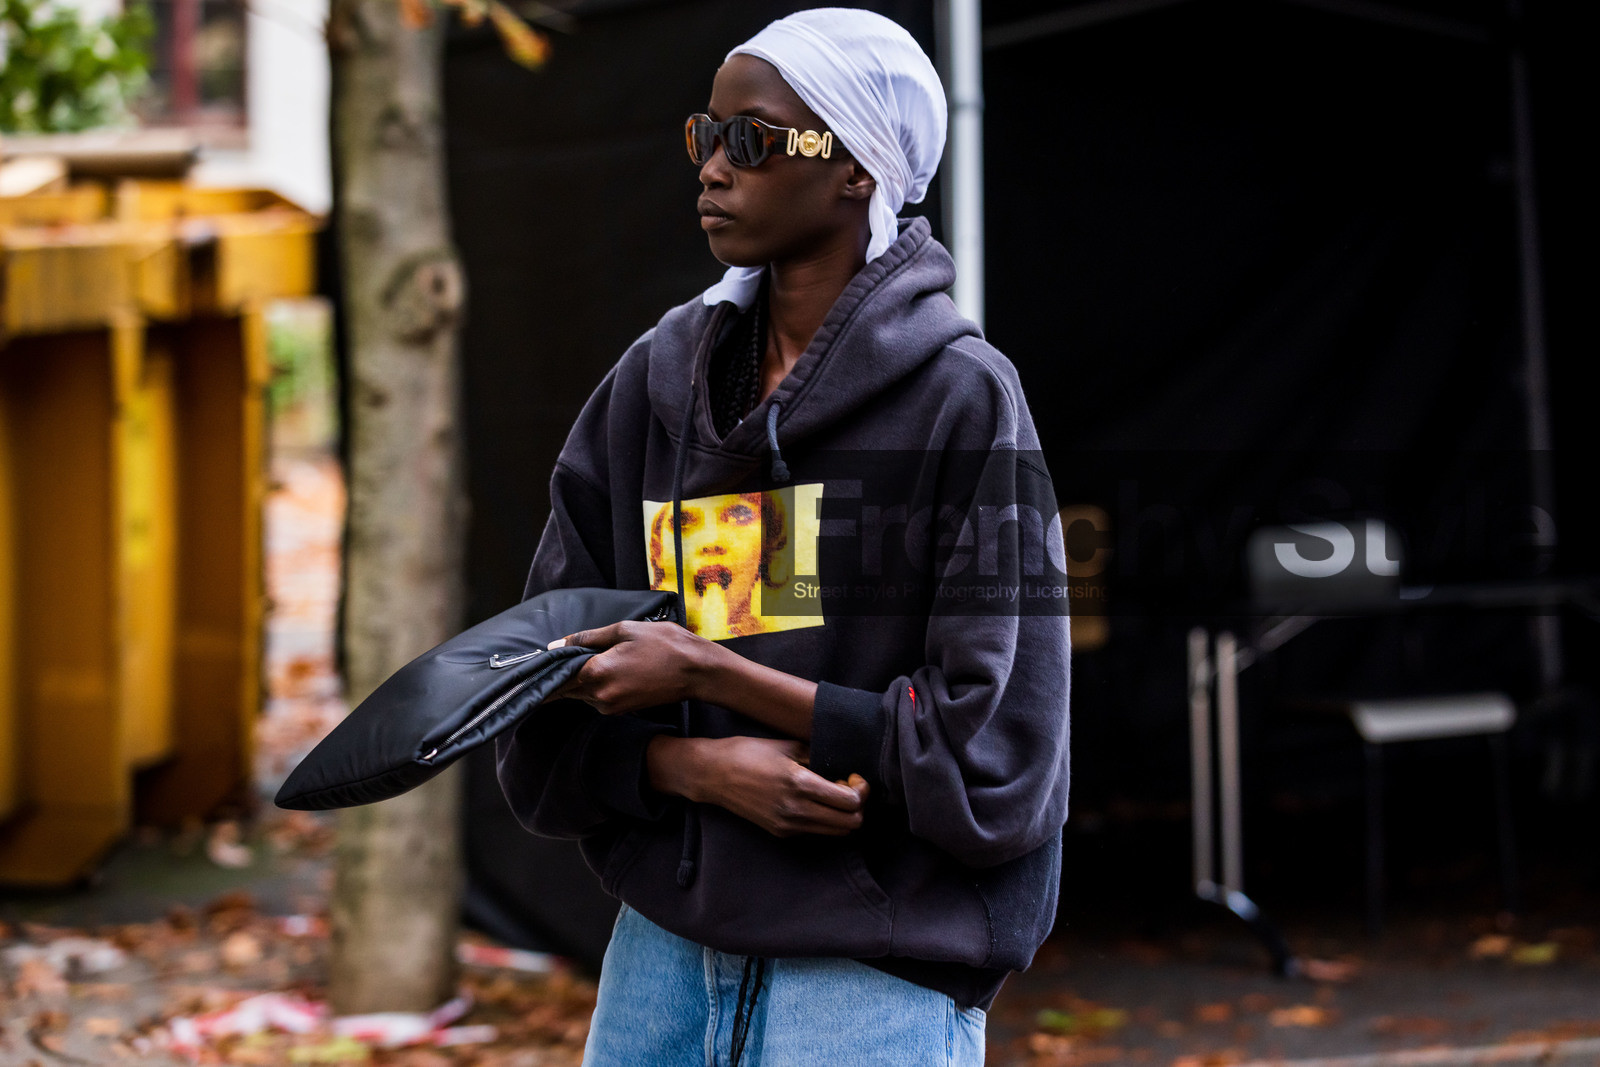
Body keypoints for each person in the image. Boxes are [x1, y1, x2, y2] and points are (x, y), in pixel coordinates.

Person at [495, 8, 1071, 1064]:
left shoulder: (962, 402)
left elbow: (996, 761)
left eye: (752, 140)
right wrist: (692, 767)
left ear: (857, 170)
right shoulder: (655, 389)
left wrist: (714, 670)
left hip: (872, 969)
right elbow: (535, 695)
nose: (712, 169)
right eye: (701, 136)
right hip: (663, 958)